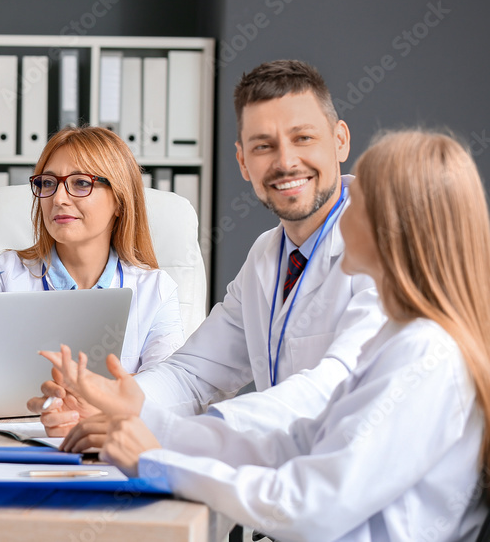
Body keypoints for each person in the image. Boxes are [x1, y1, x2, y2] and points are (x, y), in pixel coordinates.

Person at [56, 131, 490, 540]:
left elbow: (308, 507)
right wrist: (144, 419)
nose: (341, 209)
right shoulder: (401, 340)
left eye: (357, 201)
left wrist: (155, 462)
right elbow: (292, 444)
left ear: (393, 227)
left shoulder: (423, 353)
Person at [30, 60, 386, 440]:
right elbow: (194, 374)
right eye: (263, 145)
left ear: (340, 140)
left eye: (303, 138)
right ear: (243, 162)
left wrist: (196, 434)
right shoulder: (267, 256)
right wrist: (106, 401)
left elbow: (336, 384)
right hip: (280, 479)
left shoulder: (385, 250)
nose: (285, 162)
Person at [0, 125, 184, 375]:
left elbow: (165, 383)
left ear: (119, 199)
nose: (59, 198)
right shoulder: (7, 273)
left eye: (80, 183)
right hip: (11, 435)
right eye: (48, 183)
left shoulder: (154, 290)